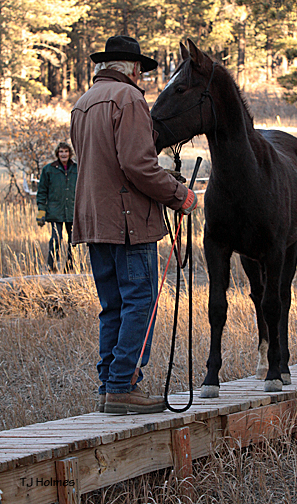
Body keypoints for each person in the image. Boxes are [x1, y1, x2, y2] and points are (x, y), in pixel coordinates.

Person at [70, 35, 197, 415]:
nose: (142, 75)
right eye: (141, 68)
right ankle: (123, 385)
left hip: (94, 220)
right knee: (139, 302)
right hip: (128, 223)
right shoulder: (129, 99)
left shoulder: (82, 103)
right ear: (132, 68)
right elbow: (137, 166)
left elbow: (107, 165)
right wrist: (179, 195)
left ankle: (110, 387)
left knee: (112, 307)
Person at [36, 142, 78, 273]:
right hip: (55, 211)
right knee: (56, 239)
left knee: (73, 240)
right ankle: (51, 266)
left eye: (66, 151)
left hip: (73, 211)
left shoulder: (77, 168)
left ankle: (70, 266)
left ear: (70, 153)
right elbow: (42, 191)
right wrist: (41, 211)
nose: (63, 154)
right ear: (57, 154)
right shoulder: (48, 169)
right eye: (61, 151)